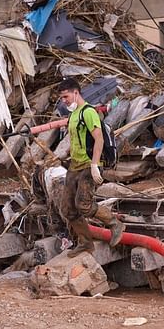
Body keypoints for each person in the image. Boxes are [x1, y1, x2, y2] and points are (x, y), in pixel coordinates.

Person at [57, 78, 125, 257]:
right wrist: (65, 157)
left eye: (66, 96)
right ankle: (86, 243)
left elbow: (99, 139)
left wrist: (95, 165)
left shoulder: (88, 112)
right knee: (68, 209)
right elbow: (75, 140)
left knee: (84, 205)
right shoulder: (72, 115)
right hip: (75, 165)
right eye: (62, 97)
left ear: (76, 93)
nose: (64, 100)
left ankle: (114, 223)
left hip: (90, 164)